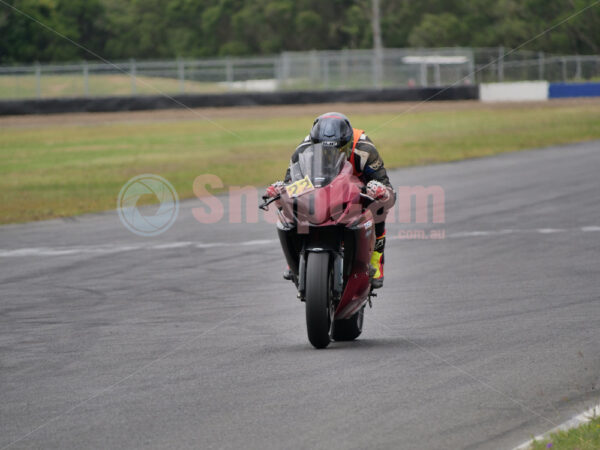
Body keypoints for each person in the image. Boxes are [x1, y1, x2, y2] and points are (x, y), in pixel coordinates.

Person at [266, 112, 395, 289]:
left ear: (348, 144)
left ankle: (375, 261)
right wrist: (281, 191)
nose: (330, 153)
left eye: (339, 150)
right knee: (294, 205)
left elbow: (388, 189)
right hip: (319, 184)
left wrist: (380, 191)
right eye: (323, 149)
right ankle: (295, 256)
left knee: (379, 208)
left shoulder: (364, 149)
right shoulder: (303, 149)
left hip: (356, 186)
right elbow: (292, 184)